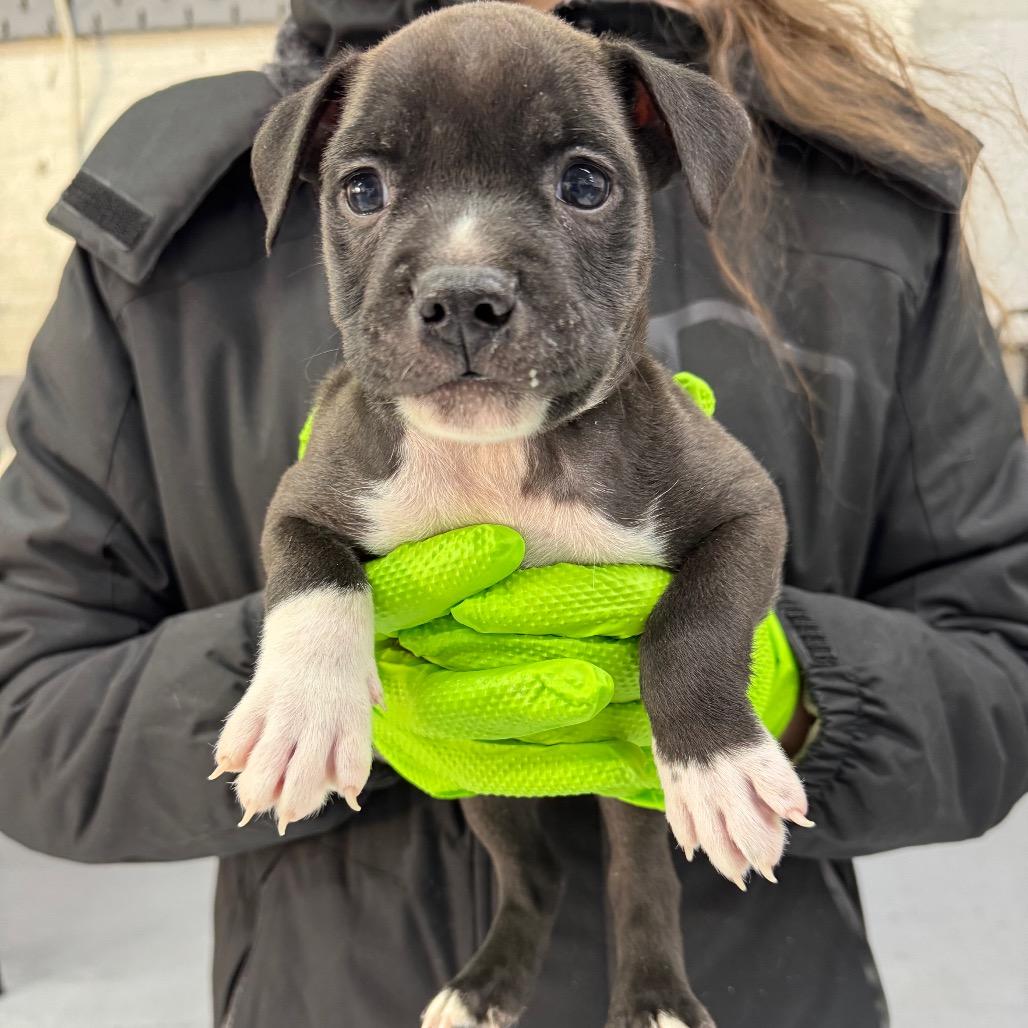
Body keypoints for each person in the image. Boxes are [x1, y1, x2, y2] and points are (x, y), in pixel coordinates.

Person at [0, 1, 1025, 1025]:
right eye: (366, 187)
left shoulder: (865, 185)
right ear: (310, 180)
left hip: (770, 984)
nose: (462, 274)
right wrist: (318, 667)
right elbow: (29, 706)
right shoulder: (164, 222)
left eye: (579, 182)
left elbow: (999, 667)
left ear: (664, 157)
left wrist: (774, 686)